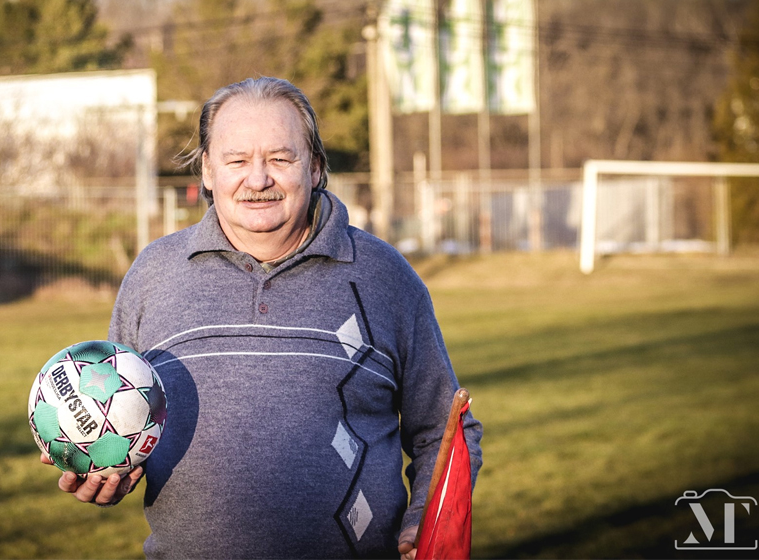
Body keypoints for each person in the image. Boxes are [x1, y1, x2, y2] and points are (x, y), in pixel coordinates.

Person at [42, 76, 482, 559]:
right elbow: (124, 421)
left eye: (280, 159)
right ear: (208, 170)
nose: (257, 180)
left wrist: (424, 523)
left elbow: (443, 430)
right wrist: (109, 470)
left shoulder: (383, 276)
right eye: (237, 160)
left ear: (315, 167)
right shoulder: (154, 274)